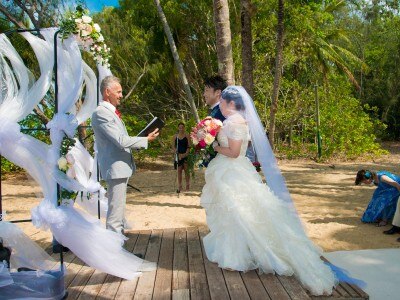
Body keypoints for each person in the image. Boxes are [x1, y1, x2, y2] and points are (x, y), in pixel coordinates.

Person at [200, 86, 337, 295]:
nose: (222, 107)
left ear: (230, 104)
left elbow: (235, 152)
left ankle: (239, 256)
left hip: (232, 170)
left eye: (224, 103)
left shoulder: (233, 122)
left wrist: (213, 147)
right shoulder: (235, 121)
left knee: (238, 212)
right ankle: (234, 253)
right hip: (234, 170)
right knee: (236, 213)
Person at [92, 75, 159, 234]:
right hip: (115, 169)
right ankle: (115, 254)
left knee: (119, 211)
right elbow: (120, 140)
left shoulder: (110, 112)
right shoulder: (101, 113)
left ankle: (119, 248)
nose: (121, 95)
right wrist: (145, 139)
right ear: (107, 92)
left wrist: (142, 139)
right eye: (119, 92)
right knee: (115, 215)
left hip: (120, 168)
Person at [172, 122, 191, 191]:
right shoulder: (175, 136)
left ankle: (187, 185)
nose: (181, 129)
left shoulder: (187, 135)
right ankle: (180, 185)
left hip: (185, 155)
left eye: (182, 127)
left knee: (186, 170)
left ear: (184, 128)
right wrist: (177, 153)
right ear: (178, 128)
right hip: (178, 155)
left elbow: (189, 146)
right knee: (179, 170)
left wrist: (185, 154)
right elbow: (173, 147)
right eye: (180, 127)